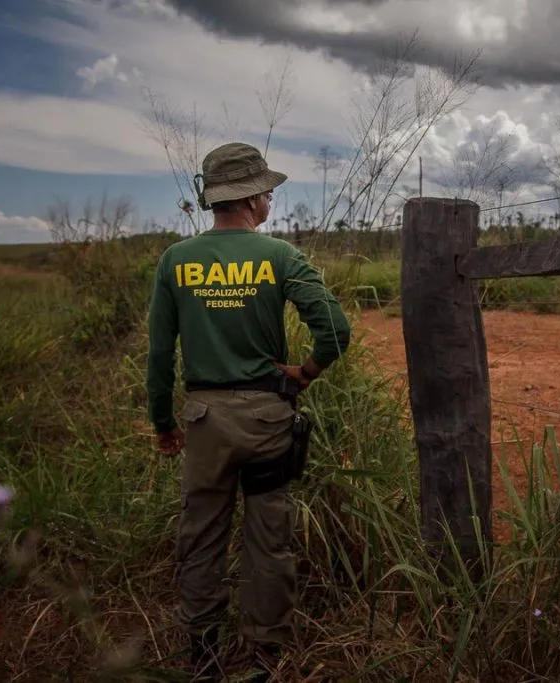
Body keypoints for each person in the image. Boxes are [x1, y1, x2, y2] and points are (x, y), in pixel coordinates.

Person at [144, 142, 352, 681]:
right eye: (269, 192)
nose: (271, 201)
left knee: (202, 535)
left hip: (204, 422)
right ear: (255, 197)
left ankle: (204, 654)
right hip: (267, 421)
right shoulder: (281, 257)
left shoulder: (175, 260)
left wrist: (164, 425)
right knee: (268, 538)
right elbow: (334, 330)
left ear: (215, 199)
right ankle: (263, 656)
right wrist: (305, 373)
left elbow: (160, 355)